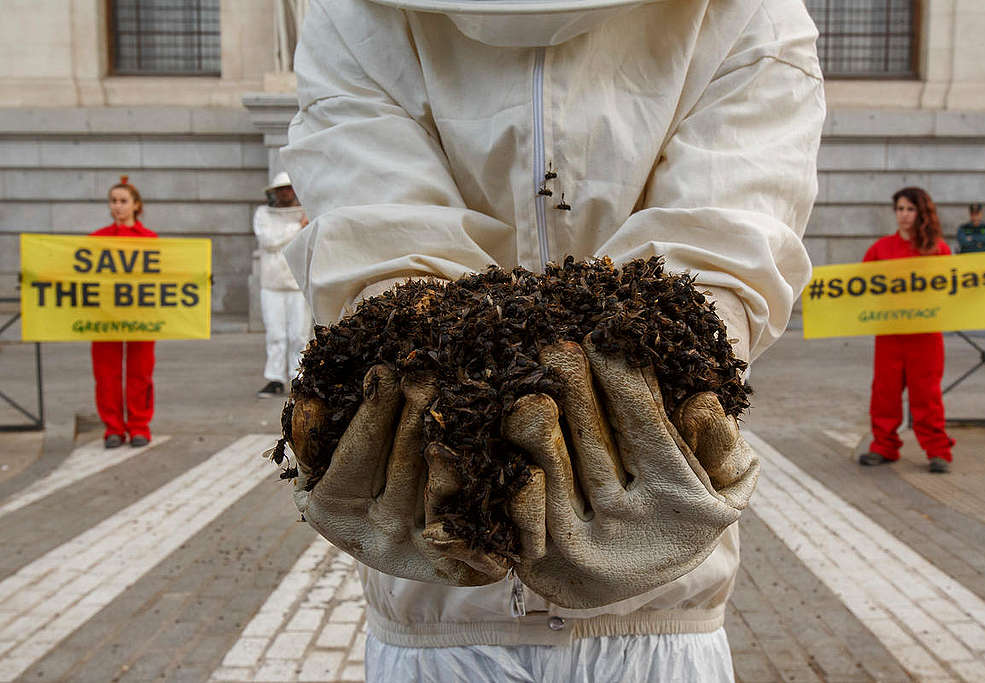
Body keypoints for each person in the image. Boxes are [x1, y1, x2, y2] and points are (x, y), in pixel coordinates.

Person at [281, 0, 825, 679]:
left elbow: (717, 256)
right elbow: (718, 259)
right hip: (478, 611)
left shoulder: (748, 12)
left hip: (619, 607)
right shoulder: (355, 14)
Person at [858, 187, 956, 474]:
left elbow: (951, 289)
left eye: (910, 209)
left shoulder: (938, 249)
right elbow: (860, 288)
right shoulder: (880, 249)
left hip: (925, 335)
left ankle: (938, 450)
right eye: (900, 209)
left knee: (927, 395)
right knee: (884, 393)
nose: (904, 215)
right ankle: (883, 446)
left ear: (921, 212)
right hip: (889, 334)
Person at [92, 177, 158, 448]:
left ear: (136, 205)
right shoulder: (96, 240)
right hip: (104, 317)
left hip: (141, 317)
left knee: (140, 373)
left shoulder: (151, 241)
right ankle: (113, 428)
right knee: (106, 375)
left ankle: (139, 425)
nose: (117, 206)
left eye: (123, 201)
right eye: (113, 201)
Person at [254, 172, 311, 398]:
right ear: (274, 192)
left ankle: (299, 377)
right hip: (271, 282)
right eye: (282, 189)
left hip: (297, 282)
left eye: (289, 188)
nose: (286, 192)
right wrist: (296, 227)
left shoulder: (306, 214)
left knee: (299, 334)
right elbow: (269, 241)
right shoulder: (263, 214)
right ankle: (275, 377)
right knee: (275, 333)